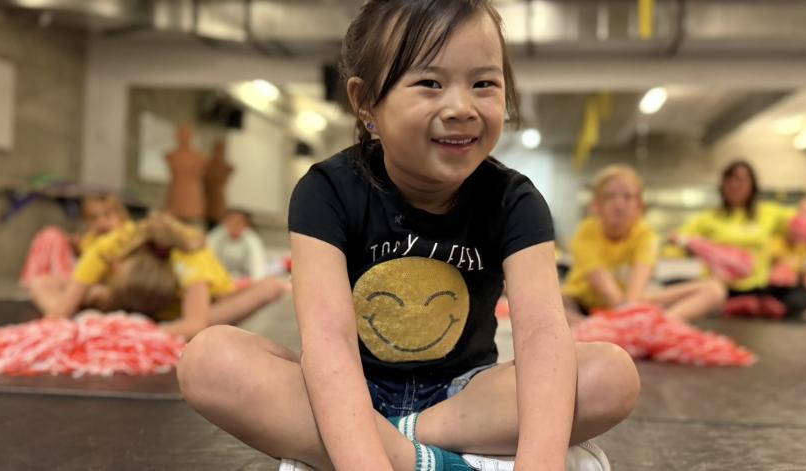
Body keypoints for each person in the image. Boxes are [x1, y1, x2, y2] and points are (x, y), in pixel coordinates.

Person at [176, 2, 639, 470]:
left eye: (484, 84)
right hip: (349, 387)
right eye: (429, 84)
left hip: (464, 403)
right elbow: (328, 342)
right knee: (208, 359)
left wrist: (539, 462)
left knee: (611, 375)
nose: (461, 108)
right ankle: (424, 460)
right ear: (365, 102)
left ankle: (408, 444)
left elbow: (542, 335)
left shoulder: (513, 199)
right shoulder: (327, 191)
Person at [45, 212, 286, 339]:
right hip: (130, 303)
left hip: (188, 309)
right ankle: (145, 316)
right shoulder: (110, 247)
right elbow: (59, 315)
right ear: (120, 265)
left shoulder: (189, 255)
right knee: (47, 284)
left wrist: (132, 333)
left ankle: (160, 322)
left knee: (272, 286)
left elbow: (195, 323)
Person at [562, 164, 726, 324]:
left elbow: (634, 294)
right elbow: (604, 286)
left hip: (630, 303)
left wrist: (630, 312)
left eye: (628, 197)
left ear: (639, 207)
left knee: (714, 289)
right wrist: (629, 315)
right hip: (584, 304)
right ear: (596, 206)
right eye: (609, 196)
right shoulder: (585, 233)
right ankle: (600, 329)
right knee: (555, 301)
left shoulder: (646, 236)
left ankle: (658, 326)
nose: (618, 203)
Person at [677, 160, 806, 319]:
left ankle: (739, 305)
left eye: (741, 180)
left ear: (752, 185)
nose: (735, 185)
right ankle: (739, 305)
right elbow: (679, 237)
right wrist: (686, 243)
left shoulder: (768, 212)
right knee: (674, 284)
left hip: (759, 287)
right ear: (722, 185)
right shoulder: (709, 217)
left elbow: (798, 222)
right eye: (730, 179)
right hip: (720, 286)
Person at [23, 194, 129, 313]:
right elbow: (84, 251)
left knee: (94, 293)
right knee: (39, 283)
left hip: (117, 293)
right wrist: (75, 245)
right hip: (93, 287)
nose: (101, 222)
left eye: (107, 215)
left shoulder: (127, 235)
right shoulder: (91, 240)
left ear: (122, 216)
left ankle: (59, 317)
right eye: (93, 218)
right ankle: (59, 315)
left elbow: (94, 262)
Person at [207, 208, 269, 283]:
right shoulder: (215, 237)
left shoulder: (252, 240)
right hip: (219, 279)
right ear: (225, 222)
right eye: (231, 221)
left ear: (246, 224)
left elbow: (258, 266)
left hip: (245, 279)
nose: (235, 225)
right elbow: (207, 261)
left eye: (239, 222)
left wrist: (253, 281)